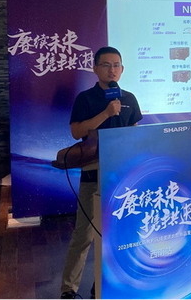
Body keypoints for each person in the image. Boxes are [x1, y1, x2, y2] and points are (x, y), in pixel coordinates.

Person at [60, 46, 142, 299]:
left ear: (122, 69)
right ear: (95, 68)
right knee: (84, 234)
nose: (112, 70)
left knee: (118, 235)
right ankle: (68, 289)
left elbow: (135, 133)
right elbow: (76, 132)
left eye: (116, 65)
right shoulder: (85, 98)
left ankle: (103, 284)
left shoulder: (130, 99)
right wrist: (106, 113)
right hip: (93, 175)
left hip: (123, 177)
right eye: (106, 65)